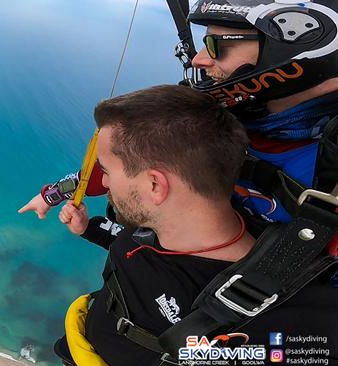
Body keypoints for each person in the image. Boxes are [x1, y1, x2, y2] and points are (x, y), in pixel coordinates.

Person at [52, 85, 337, 365]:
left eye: (106, 170)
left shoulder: (294, 320)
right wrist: (88, 228)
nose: (103, 183)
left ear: (154, 185)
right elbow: (133, 248)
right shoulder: (159, 227)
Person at [18, 0, 338, 236]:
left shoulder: (323, 167)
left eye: (216, 46)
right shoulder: (214, 116)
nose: (199, 60)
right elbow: (125, 165)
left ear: (294, 48)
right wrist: (53, 194)